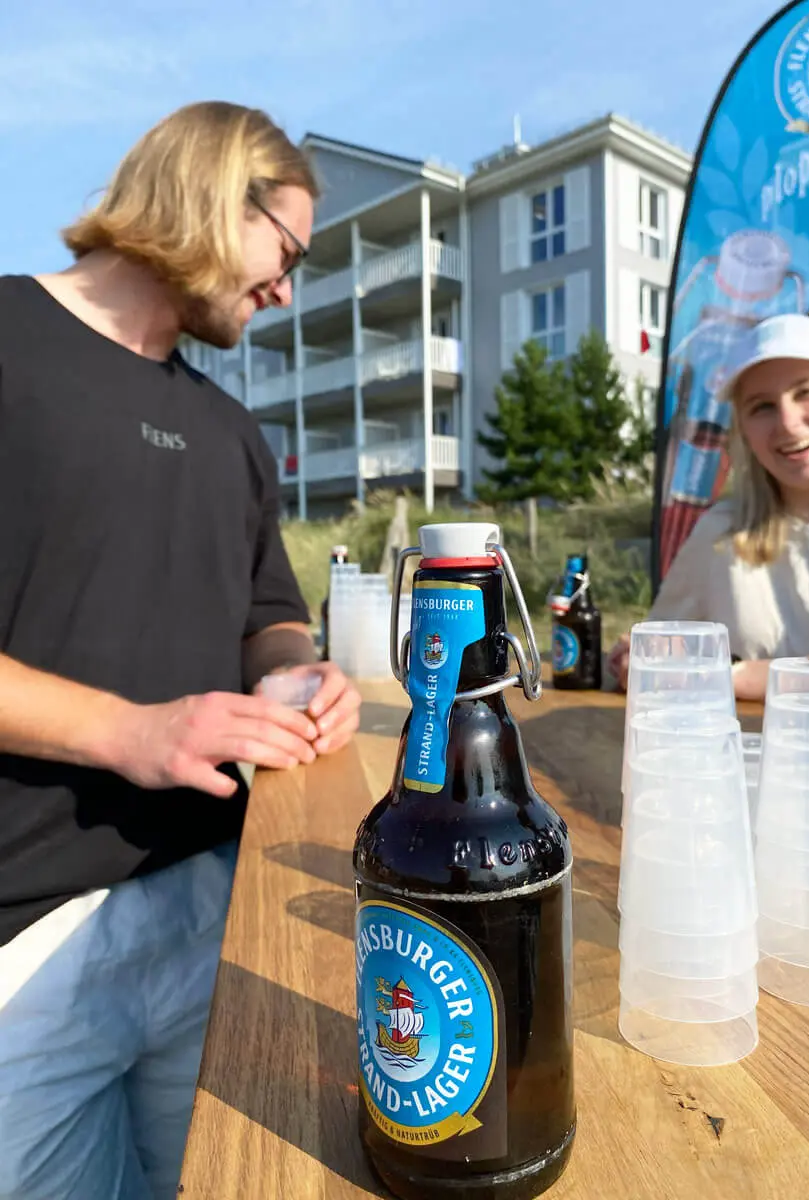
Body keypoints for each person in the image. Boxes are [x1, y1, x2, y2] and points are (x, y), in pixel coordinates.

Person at [0, 101, 362, 1199]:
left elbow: (268, 608)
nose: (286, 290)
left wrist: (295, 670)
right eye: (288, 252)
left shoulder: (231, 431)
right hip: (27, 943)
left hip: (214, 904)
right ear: (218, 190)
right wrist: (131, 730)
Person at [609, 313, 809, 745]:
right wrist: (642, 661)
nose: (787, 421)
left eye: (807, 392)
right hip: (737, 778)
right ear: (743, 430)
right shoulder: (722, 532)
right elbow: (666, 649)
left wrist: (741, 677)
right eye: (762, 406)